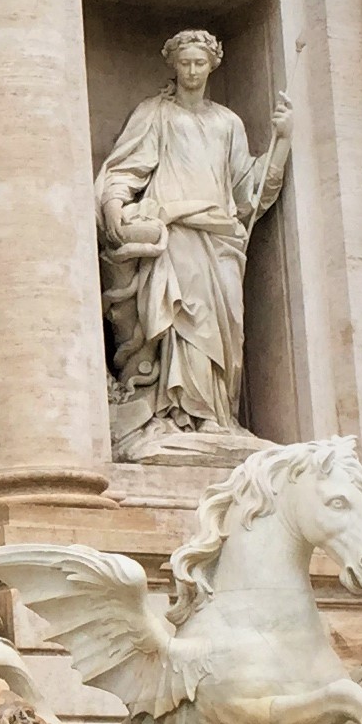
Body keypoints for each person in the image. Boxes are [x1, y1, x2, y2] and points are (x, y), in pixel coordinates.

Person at [96, 28, 289, 461]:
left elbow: (248, 191)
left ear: (212, 65)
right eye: (185, 62)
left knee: (224, 330)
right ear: (173, 65)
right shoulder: (154, 114)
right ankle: (174, 412)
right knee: (181, 316)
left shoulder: (228, 123)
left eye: (199, 62)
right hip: (176, 232)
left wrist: (283, 141)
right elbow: (126, 167)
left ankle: (218, 417)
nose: (192, 70)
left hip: (220, 237)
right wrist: (113, 201)